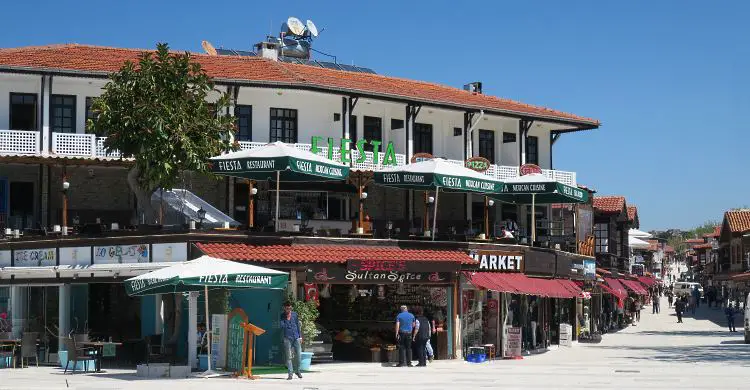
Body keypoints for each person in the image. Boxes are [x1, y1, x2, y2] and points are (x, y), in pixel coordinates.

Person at [280, 302, 303, 380]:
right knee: (289, 357)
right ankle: (290, 374)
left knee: (299, 355)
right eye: (287, 308)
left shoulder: (295, 314)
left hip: (296, 337)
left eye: (290, 308)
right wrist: (287, 318)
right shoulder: (282, 316)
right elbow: (282, 326)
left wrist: (300, 336)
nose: (289, 310)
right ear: (284, 308)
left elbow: (297, 325)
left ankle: (298, 371)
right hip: (287, 338)